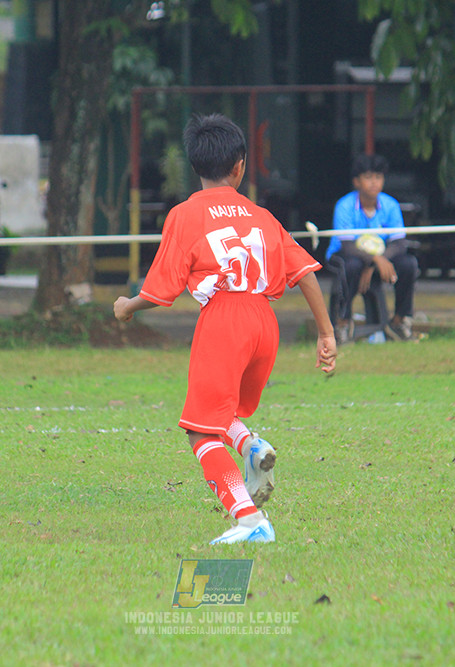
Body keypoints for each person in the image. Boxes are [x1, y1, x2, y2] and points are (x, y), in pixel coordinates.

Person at [113, 114, 337, 545]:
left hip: (224, 321)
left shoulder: (184, 215)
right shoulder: (261, 216)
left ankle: (250, 520)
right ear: (240, 166)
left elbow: (162, 291)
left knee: (201, 429)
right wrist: (325, 334)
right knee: (222, 409)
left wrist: (127, 306)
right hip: (264, 324)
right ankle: (250, 447)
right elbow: (306, 273)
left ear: (195, 166)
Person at [325, 153, 420, 342]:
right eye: (368, 177)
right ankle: (342, 322)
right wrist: (375, 260)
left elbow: (399, 242)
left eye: (378, 177)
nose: (374, 182)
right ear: (357, 182)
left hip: (380, 258)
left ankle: (399, 321)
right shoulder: (344, 206)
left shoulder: (390, 205)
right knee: (350, 266)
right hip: (343, 255)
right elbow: (347, 245)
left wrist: (377, 262)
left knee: (409, 263)